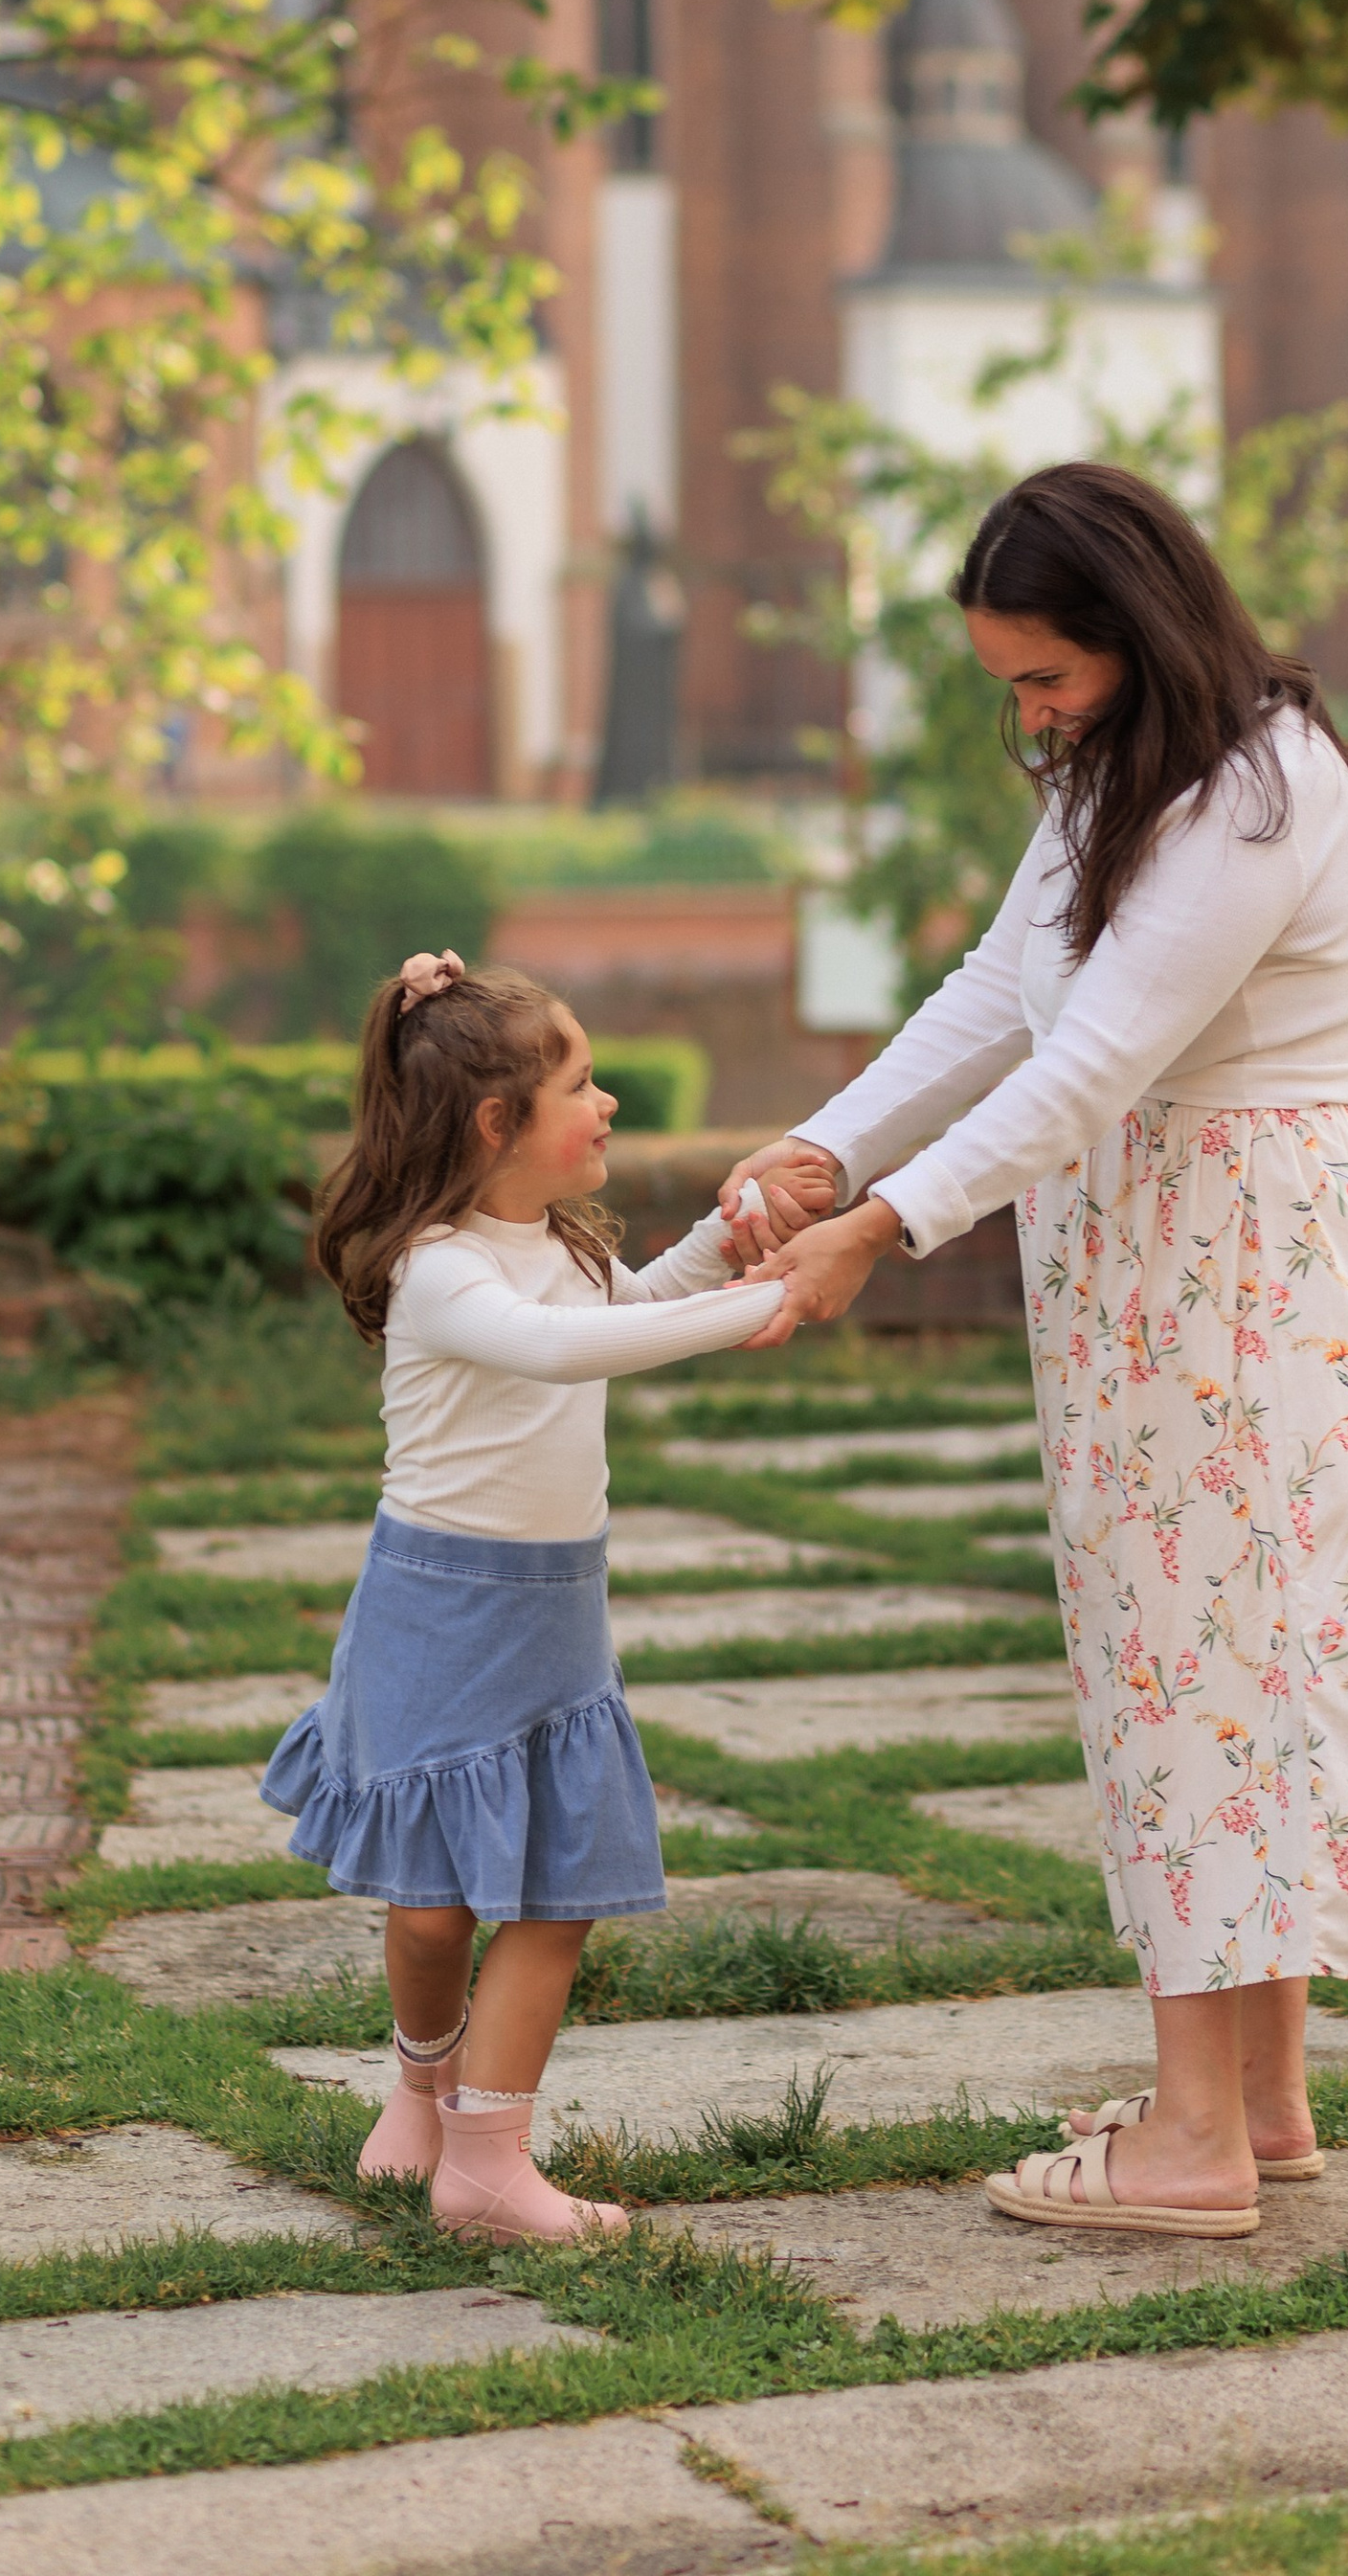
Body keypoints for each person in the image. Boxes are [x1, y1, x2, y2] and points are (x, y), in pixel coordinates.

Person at [727, 463, 1348, 2243]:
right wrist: (826, 1147)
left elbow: (1095, 1065)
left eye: (1047, 679)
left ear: (1138, 637)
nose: (1031, 715)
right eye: (1012, 685)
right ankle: (1256, 2100)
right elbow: (1000, 990)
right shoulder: (1118, 774)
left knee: (1212, 1678)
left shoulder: (1258, 790)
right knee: (1211, 1658)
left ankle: (1193, 2143)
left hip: (1251, 1287)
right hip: (1159, 1280)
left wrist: (885, 1225)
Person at [264, 950, 831, 2244]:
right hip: (438, 1610)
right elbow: (559, 1351)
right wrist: (753, 1307)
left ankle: (487, 2154)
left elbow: (620, 1315)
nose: (609, 1102)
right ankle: (419, 2091)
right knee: (429, 1905)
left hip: (554, 1613)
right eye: (581, 1081)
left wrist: (725, 1249)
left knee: (557, 1889)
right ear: (494, 1123)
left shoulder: (559, 1248)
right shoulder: (439, 1268)